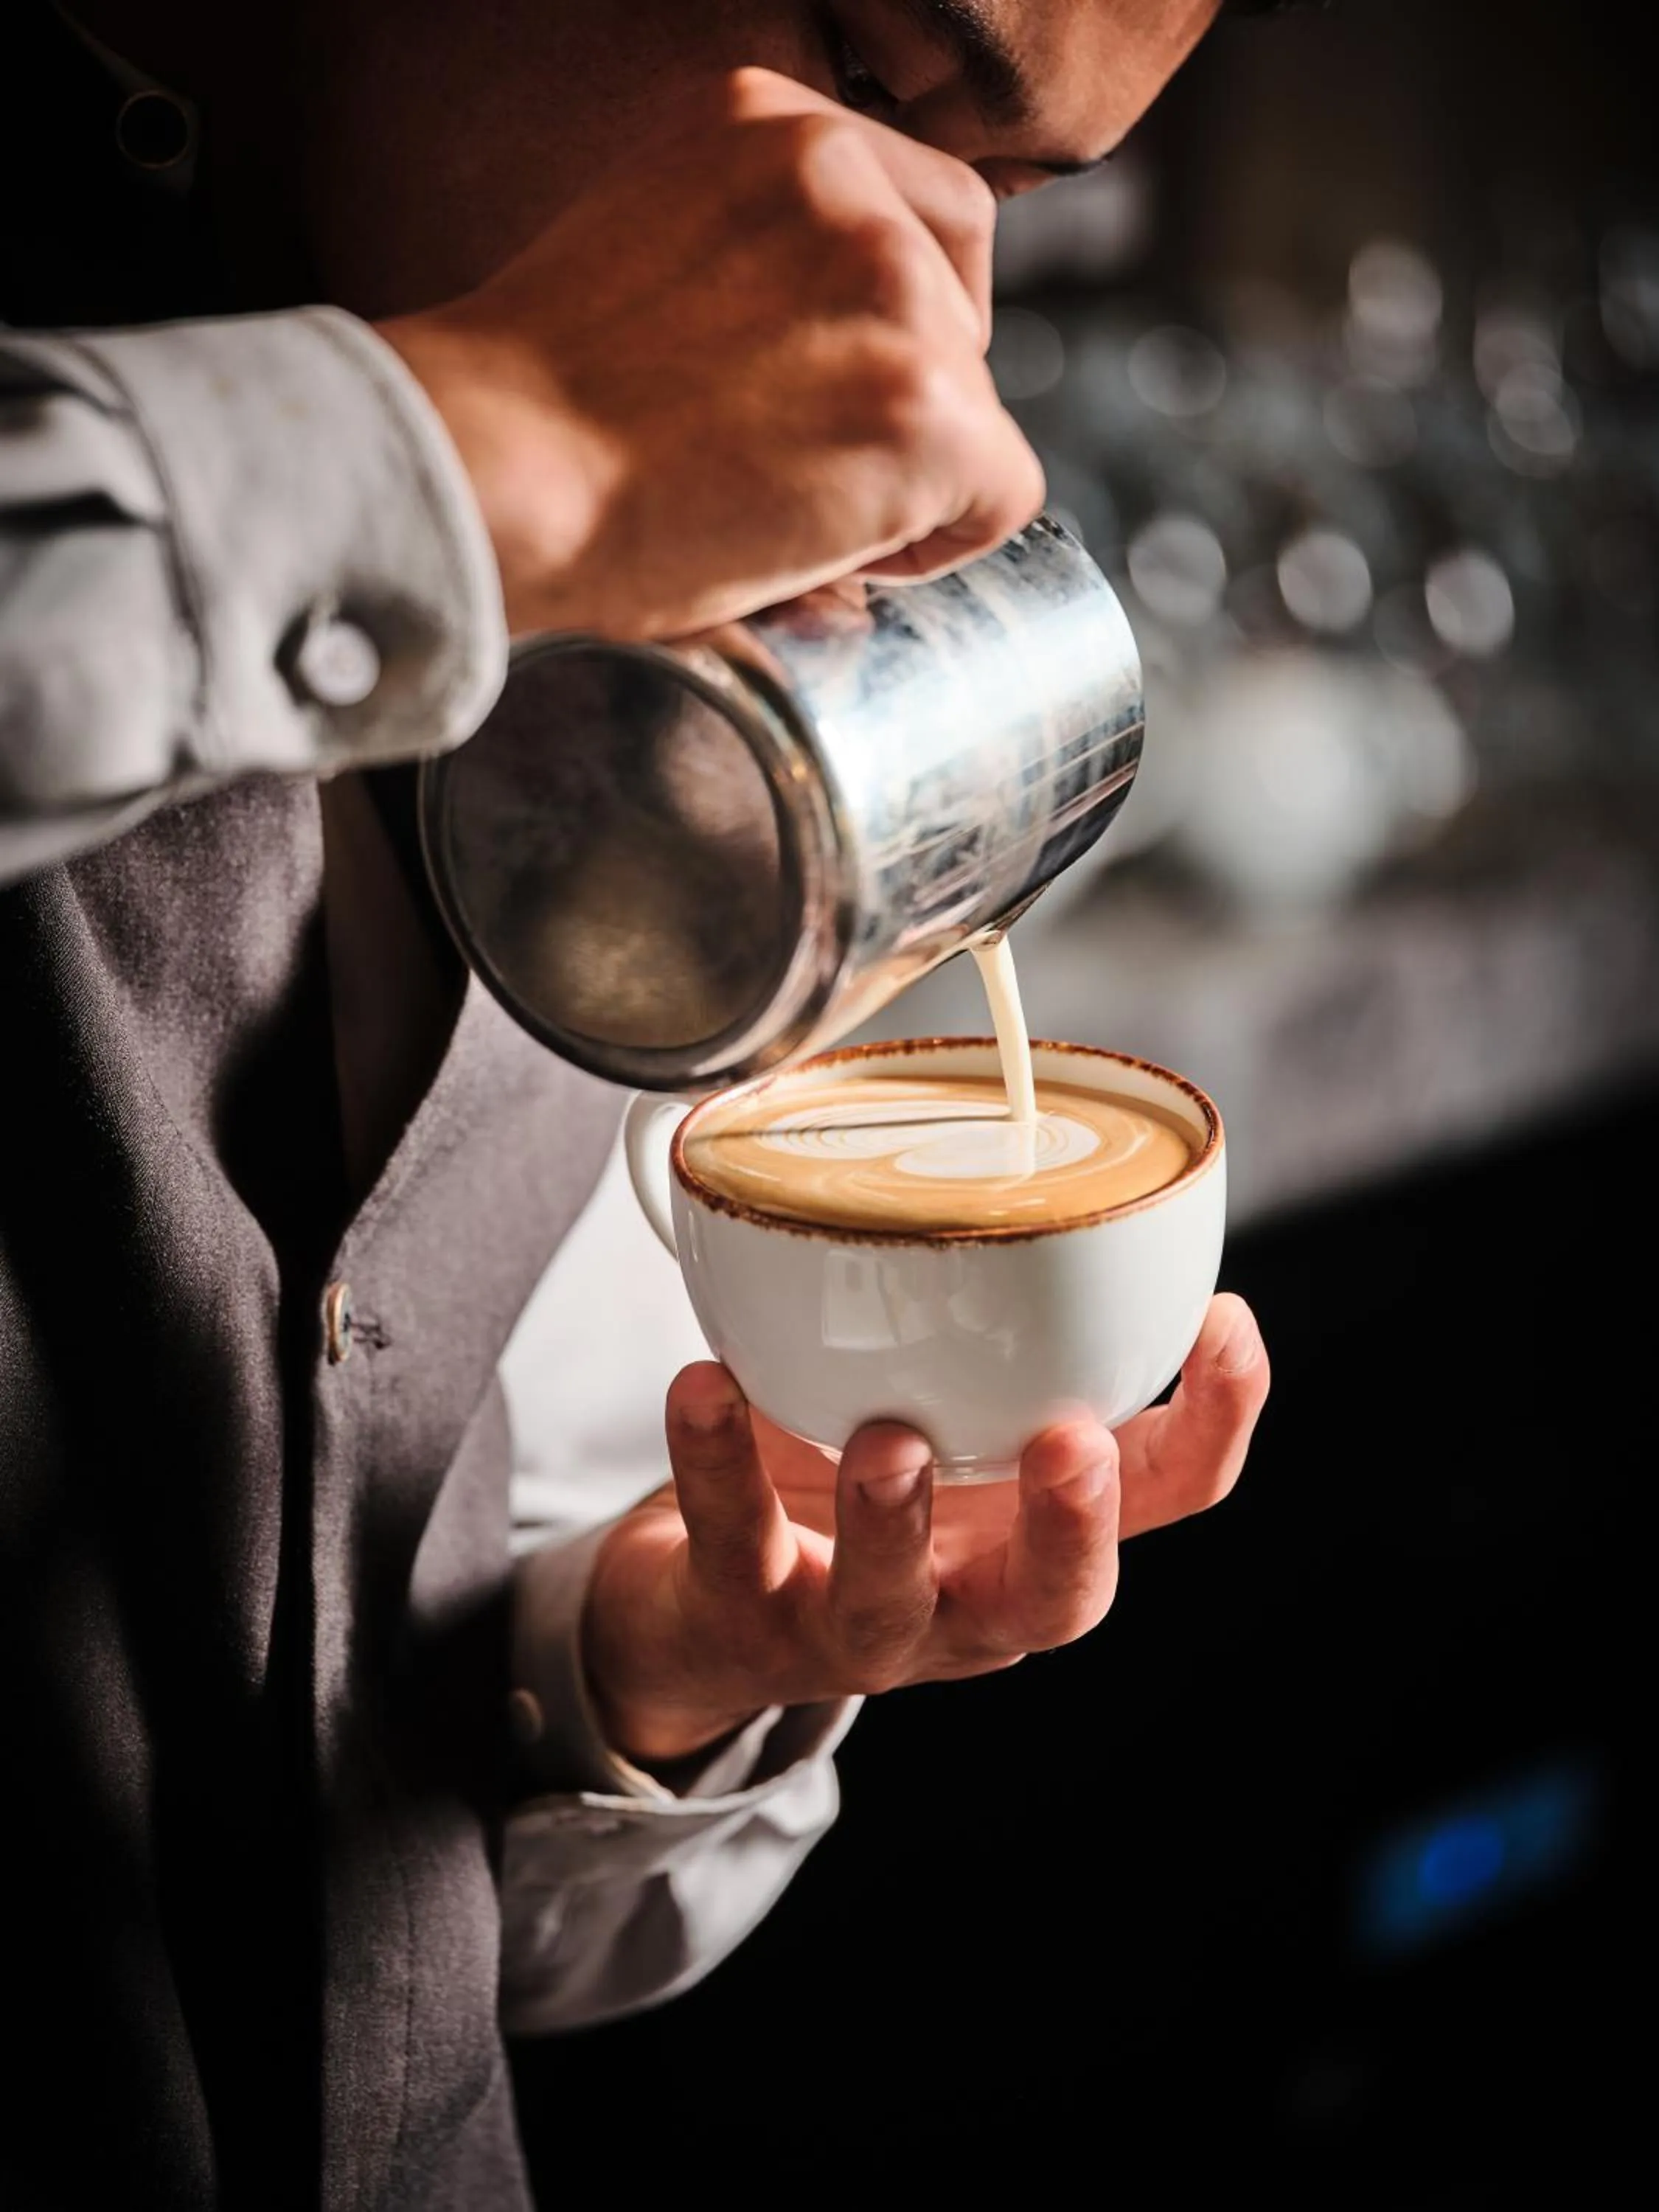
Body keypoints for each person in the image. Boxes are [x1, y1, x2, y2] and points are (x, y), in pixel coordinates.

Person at [0, 3, 1279, 2205]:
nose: (919, 308)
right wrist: (468, 446)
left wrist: (637, 1669)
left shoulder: (658, 801)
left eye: (1016, 198)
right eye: (867, 71)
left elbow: (445, 1948)